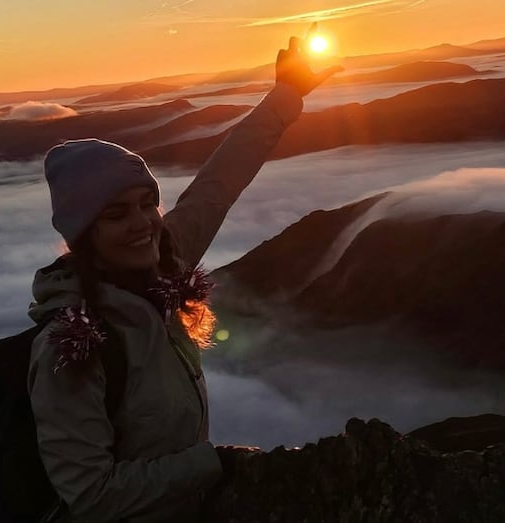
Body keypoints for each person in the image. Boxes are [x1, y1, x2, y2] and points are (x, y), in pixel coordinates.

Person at [27, 34, 341, 522]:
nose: (142, 223)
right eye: (115, 214)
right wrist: (210, 464)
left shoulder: (161, 267)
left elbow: (218, 184)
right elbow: (91, 497)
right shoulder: (72, 346)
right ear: (84, 233)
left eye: (147, 203)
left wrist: (285, 95)